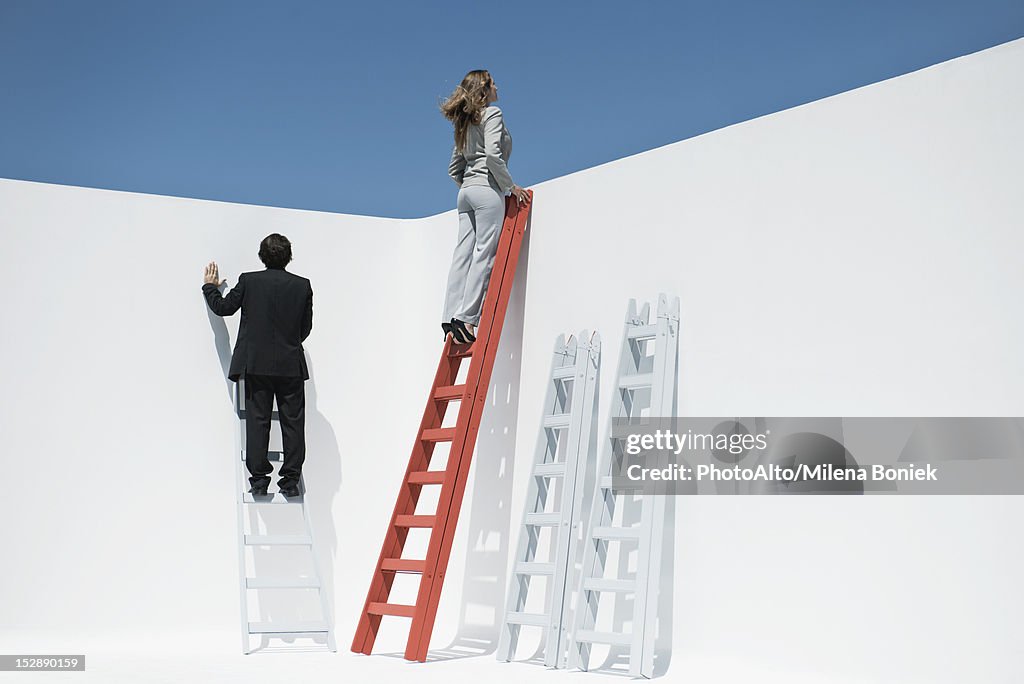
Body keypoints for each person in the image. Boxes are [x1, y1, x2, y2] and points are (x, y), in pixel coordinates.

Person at [201, 234, 313, 498]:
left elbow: (224, 308)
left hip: (257, 366)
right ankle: (290, 481)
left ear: (262, 256)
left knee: (258, 422)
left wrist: (209, 287)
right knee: (293, 425)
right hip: (290, 367)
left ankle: (260, 481)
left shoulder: (249, 281)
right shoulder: (302, 286)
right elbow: (304, 329)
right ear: (289, 256)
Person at [440, 69, 529, 344]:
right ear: (484, 89)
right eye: (493, 83)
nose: (497, 87)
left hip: (465, 192)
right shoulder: (493, 114)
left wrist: (469, 185)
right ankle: (467, 319)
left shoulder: (464, 123)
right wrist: (509, 186)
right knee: (484, 254)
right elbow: (492, 154)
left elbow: (454, 169)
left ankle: (449, 317)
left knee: (462, 254)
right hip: (486, 189)